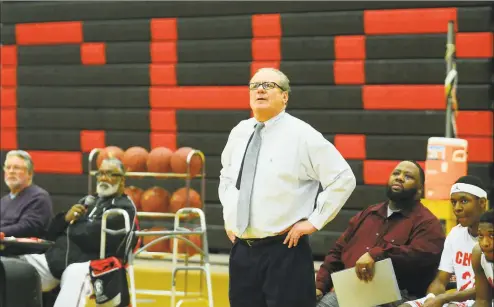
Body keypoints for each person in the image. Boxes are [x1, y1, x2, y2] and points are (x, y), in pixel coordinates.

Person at [219, 68, 356, 307]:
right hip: (242, 250)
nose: (260, 89)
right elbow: (227, 178)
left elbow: (343, 178)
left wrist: (313, 222)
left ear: (285, 97)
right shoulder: (239, 132)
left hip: (284, 251)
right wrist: (230, 216)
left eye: (268, 85)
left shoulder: (302, 135)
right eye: (254, 85)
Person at [316, 160, 445, 307]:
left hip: (395, 295)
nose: (400, 178)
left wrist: (377, 254)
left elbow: (419, 256)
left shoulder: (428, 223)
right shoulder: (368, 214)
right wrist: (320, 286)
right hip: (352, 289)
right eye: (396, 173)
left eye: (408, 176)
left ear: (420, 190)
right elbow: (336, 253)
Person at [17, 157, 137, 307]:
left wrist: (74, 226)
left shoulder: (124, 207)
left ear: (122, 180)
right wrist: (66, 219)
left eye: (111, 174)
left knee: (74, 273)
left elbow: (93, 238)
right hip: (55, 260)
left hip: (92, 265)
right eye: (100, 173)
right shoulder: (89, 200)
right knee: (15, 265)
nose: (104, 178)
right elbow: (51, 232)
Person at [399, 175, 488, 307]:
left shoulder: (489, 240)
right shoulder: (455, 234)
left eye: (464, 201)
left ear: (482, 203)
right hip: (459, 300)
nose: (457, 208)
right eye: (453, 202)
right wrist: (431, 298)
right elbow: (441, 281)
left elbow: (486, 290)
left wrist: (444, 299)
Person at [1, 150, 53, 238]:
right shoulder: (3, 201)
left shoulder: (39, 197)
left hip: (22, 250)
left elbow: (27, 227)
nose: (11, 171)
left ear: (30, 173)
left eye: (16, 168)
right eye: (8, 167)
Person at [471, 209, 494, 307]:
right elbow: (483, 301)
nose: (485, 243)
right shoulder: (478, 253)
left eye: (492, 235)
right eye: (481, 235)